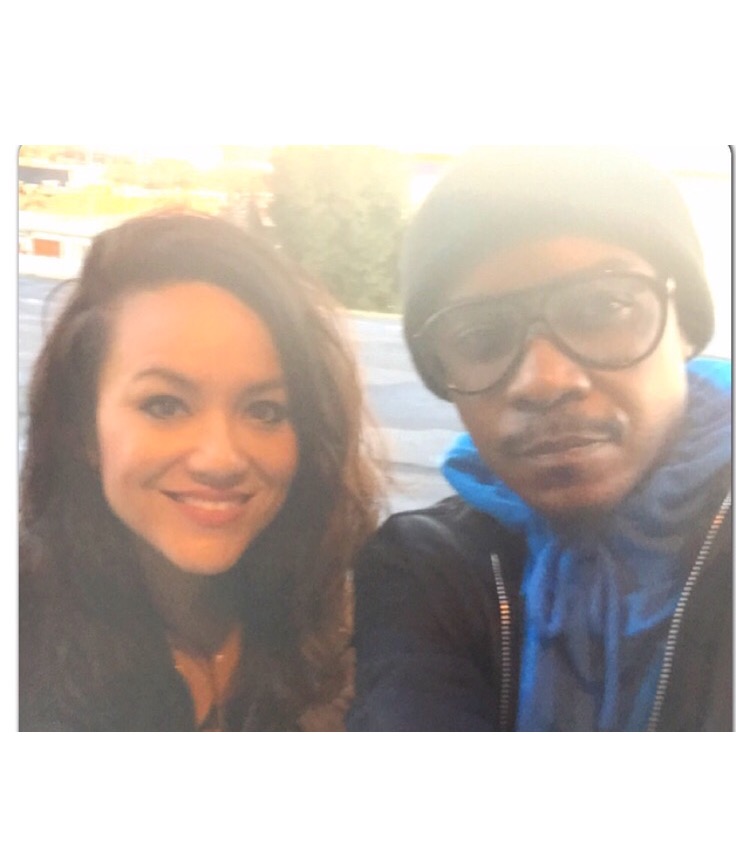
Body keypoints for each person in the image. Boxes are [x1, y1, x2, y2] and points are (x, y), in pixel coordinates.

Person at [347, 146, 731, 731]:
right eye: (480, 338)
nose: (544, 381)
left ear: (685, 324)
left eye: (603, 307)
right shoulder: (428, 566)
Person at [20, 210, 383, 731]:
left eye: (265, 411)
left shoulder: (349, 633)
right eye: (165, 405)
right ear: (82, 428)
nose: (221, 459)